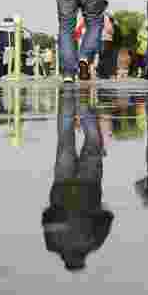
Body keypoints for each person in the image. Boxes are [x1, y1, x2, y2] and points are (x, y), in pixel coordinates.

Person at [41, 93, 113, 272]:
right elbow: (46, 217)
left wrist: (94, 210)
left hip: (89, 186)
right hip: (62, 185)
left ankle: (82, 102)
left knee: (93, 142)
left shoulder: (93, 243)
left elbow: (107, 218)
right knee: (65, 140)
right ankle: (67, 99)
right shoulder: (53, 244)